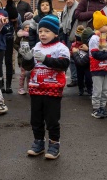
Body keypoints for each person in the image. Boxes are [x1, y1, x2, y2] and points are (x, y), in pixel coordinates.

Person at [19, 15, 70, 159]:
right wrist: (27, 59)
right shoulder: (36, 47)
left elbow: (63, 65)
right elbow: (29, 67)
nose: (42, 34)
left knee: (52, 120)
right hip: (36, 89)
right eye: (40, 31)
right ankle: (38, 142)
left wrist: (46, 59)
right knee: (36, 119)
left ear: (55, 33)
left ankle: (54, 145)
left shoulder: (61, 47)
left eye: (47, 31)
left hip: (53, 90)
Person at [89, 11, 107, 119]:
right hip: (97, 68)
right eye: (105, 25)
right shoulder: (94, 39)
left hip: (106, 68)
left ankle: (102, 107)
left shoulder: (106, 38)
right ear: (99, 26)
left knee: (106, 90)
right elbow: (96, 54)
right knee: (97, 90)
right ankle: (96, 109)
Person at [60, 0, 79, 87]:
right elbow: (63, 22)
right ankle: (74, 78)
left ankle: (77, 79)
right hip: (67, 35)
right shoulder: (65, 10)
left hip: (76, 36)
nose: (68, 1)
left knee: (76, 57)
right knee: (70, 57)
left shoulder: (78, 9)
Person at [72, 26, 94, 96]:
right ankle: (80, 89)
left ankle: (89, 89)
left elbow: (92, 51)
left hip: (87, 64)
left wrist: (87, 49)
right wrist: (74, 52)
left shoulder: (88, 44)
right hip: (78, 64)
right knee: (80, 78)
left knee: (88, 78)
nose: (80, 42)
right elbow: (71, 52)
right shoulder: (74, 45)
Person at [14, 19, 32, 94]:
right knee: (23, 74)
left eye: (29, 27)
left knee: (29, 74)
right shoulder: (20, 36)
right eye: (26, 27)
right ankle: (21, 88)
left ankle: (29, 87)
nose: (27, 29)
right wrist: (19, 49)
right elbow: (15, 44)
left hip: (30, 58)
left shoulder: (32, 36)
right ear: (23, 28)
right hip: (22, 58)